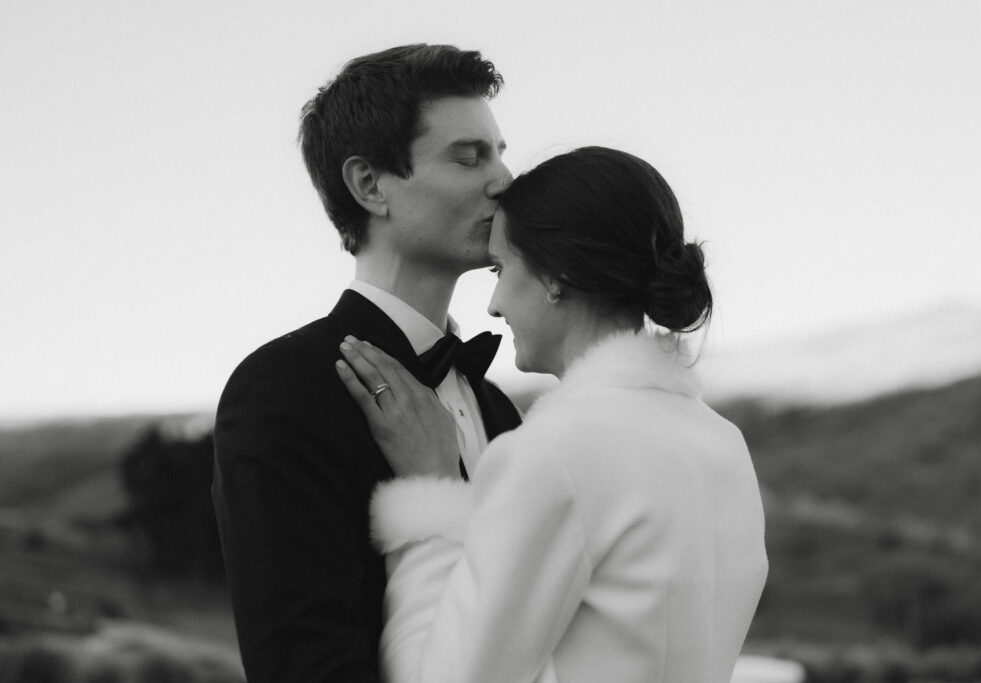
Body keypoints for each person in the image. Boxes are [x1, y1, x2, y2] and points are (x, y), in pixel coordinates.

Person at [335, 146, 769, 683]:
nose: (493, 303)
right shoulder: (725, 445)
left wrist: (431, 489)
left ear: (556, 275)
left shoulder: (555, 451)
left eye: (501, 267)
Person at [211, 44, 522, 683]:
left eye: (499, 153)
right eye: (469, 157)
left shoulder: (499, 409)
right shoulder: (283, 390)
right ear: (370, 184)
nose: (506, 182)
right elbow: (302, 662)